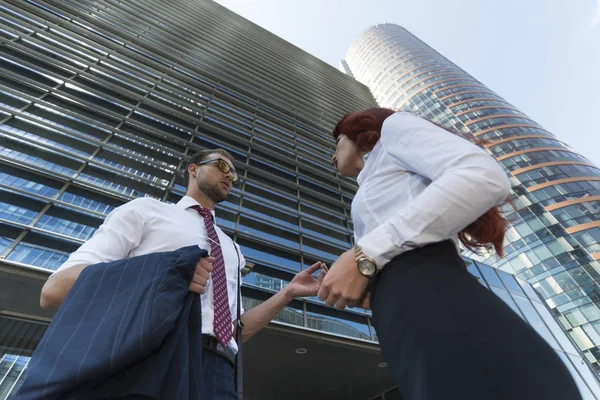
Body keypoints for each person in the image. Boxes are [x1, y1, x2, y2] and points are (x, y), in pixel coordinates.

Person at [317, 108, 582, 400]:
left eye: (337, 140)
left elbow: (482, 176)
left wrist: (364, 255)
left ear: (356, 130)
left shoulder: (394, 128)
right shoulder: (373, 179)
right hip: (406, 313)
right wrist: (373, 284)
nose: (333, 153)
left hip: (433, 297)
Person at [40, 148, 328, 399]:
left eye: (235, 175)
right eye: (223, 166)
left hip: (219, 373)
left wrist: (287, 292)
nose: (230, 176)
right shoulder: (146, 211)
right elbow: (56, 289)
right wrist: (166, 275)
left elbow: (234, 331)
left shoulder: (232, 249)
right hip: (151, 355)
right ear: (193, 169)